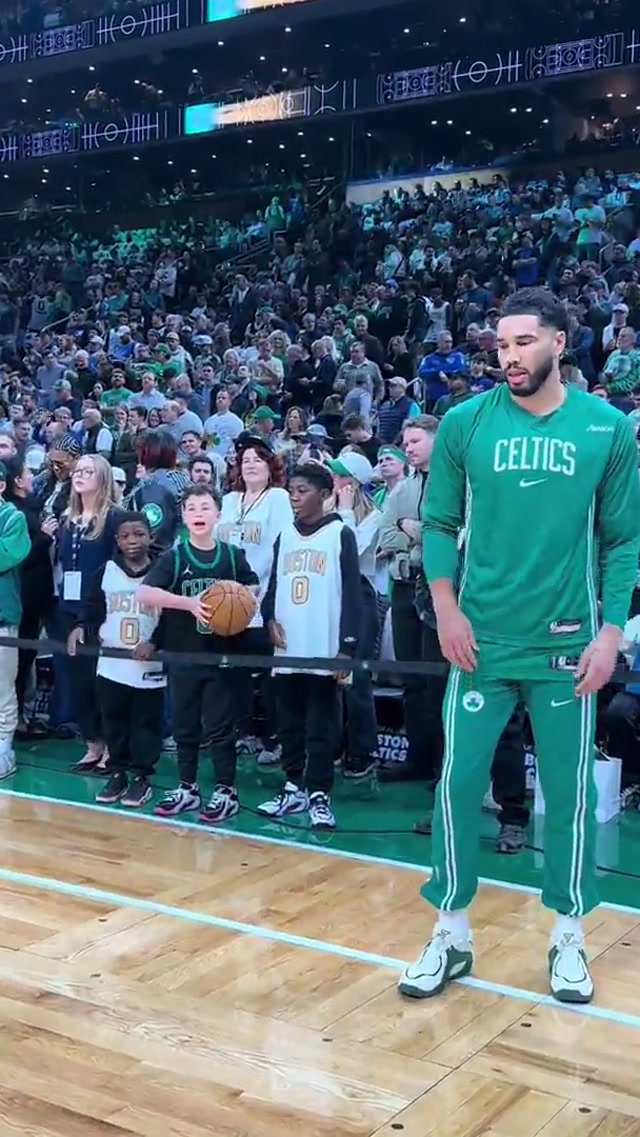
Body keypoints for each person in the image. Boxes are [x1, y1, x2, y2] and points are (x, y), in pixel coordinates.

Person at [399, 287, 640, 1006]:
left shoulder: (606, 428)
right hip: (480, 640)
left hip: (569, 644)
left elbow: (623, 540)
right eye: (501, 345)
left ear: (560, 342)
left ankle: (568, 934)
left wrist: (611, 632)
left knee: (566, 795)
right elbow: (438, 524)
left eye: (523, 341)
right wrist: (446, 611)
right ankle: (451, 931)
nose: (509, 355)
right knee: (456, 785)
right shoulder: (466, 422)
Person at [137, 484, 259, 823]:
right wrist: (187, 603)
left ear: (218, 514)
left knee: (220, 729)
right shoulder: (175, 557)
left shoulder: (232, 556)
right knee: (185, 728)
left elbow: (253, 585)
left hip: (222, 657)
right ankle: (187, 788)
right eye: (191, 508)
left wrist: (239, 596)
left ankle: (226, 791)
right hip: (183, 655)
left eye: (205, 507)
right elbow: (144, 593)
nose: (198, 514)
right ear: (183, 517)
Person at [258, 463, 362, 830]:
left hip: (324, 646)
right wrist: (269, 618)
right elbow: (273, 584)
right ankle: (293, 787)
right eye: (291, 491)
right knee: (288, 723)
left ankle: (319, 793)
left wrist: (347, 648)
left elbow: (354, 594)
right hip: (288, 646)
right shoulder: (284, 534)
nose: (295, 497)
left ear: (324, 494)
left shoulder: (340, 533)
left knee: (321, 726)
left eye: (302, 491)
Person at [73, 512, 165, 809]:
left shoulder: (163, 571)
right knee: (114, 723)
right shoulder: (106, 571)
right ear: (117, 540)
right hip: (112, 664)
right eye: (125, 536)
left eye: (139, 534)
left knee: (145, 725)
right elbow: (92, 608)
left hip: (149, 666)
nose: (132, 541)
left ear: (151, 537)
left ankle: (142, 776)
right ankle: (118, 773)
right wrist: (82, 626)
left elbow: (173, 616)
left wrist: (155, 641)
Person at [216, 432, 293, 763]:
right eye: (244, 460)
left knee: (267, 670)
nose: (250, 465)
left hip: (263, 594)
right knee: (235, 670)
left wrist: (262, 589)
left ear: (270, 465)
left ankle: (274, 738)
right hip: (228, 599)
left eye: (257, 460)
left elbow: (282, 546)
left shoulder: (278, 498)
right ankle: (242, 731)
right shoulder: (229, 500)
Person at [56, 454, 124, 771]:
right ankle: (92, 743)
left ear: (103, 478)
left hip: (101, 612)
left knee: (103, 683)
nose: (79, 475)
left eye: (88, 471)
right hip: (68, 608)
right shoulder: (68, 518)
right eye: (78, 470)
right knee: (78, 681)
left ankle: (112, 746)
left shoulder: (114, 518)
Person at [0, 460, 31, 777]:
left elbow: (7, 555)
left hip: (3, 615)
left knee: (1, 688)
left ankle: (4, 750)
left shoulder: (13, 517)